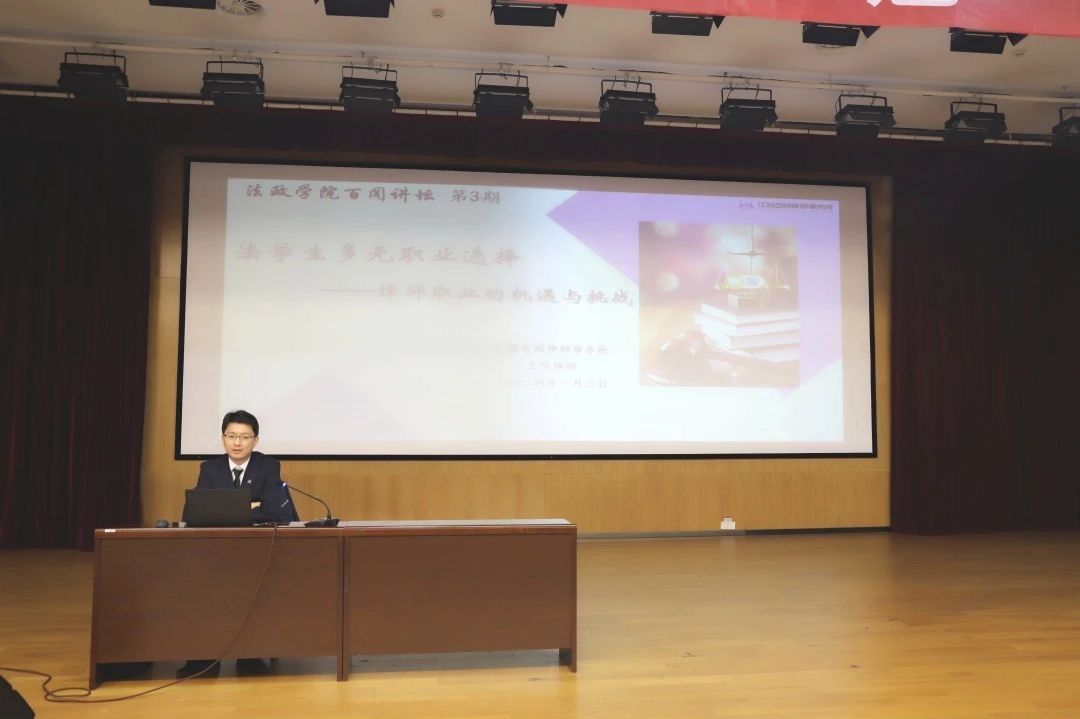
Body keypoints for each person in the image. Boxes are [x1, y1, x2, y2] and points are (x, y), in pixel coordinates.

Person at [177, 409, 294, 679]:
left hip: (257, 548)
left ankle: (250, 657)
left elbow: (273, 510)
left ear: (255, 440)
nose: (237, 443)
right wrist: (249, 506)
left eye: (244, 437)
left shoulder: (268, 466)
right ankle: (203, 658)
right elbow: (196, 510)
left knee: (256, 592)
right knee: (200, 592)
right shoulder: (210, 468)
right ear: (222, 439)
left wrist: (227, 509)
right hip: (216, 549)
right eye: (231, 436)